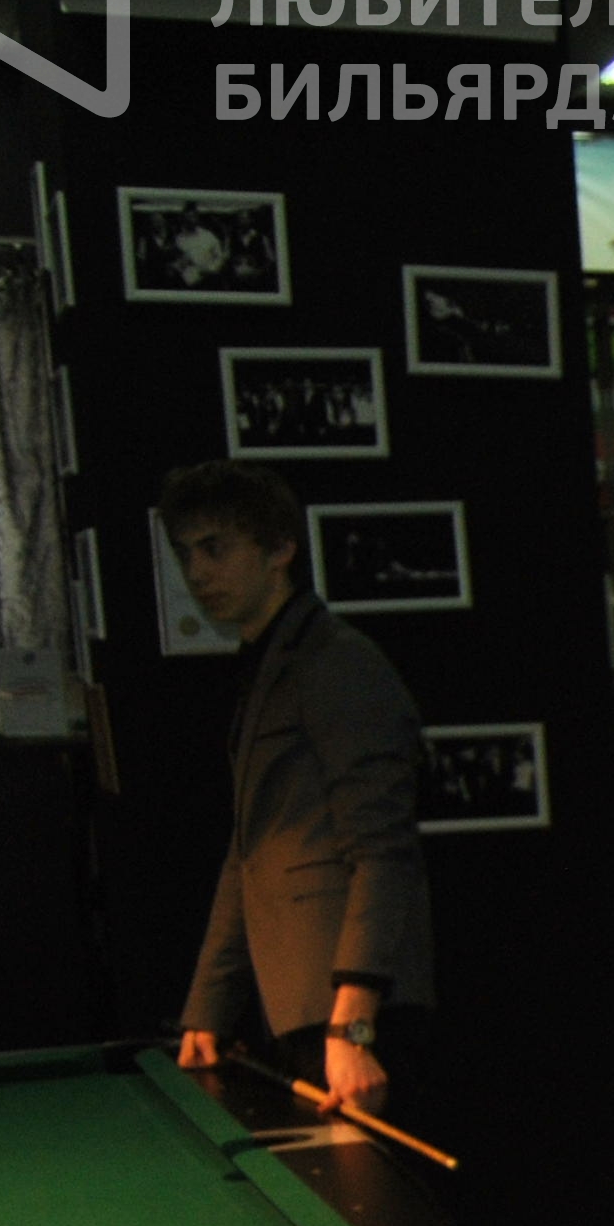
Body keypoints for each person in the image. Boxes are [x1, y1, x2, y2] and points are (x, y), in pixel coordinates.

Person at [160, 461, 433, 1118]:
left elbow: (383, 851)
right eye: (186, 553)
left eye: (215, 548)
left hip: (355, 1014)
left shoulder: (337, 662)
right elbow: (249, 852)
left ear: (280, 549)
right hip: (305, 1008)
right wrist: (208, 1010)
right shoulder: (272, 662)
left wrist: (353, 1028)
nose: (197, 573)